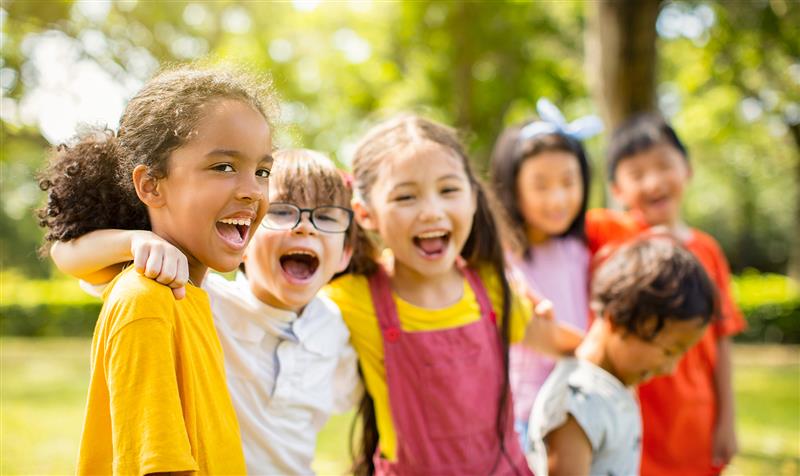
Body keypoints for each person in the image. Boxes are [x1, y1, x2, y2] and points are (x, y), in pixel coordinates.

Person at [50, 149, 362, 475]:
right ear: (241, 238)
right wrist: (134, 242)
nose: (305, 228)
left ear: (345, 254)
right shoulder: (199, 297)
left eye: (326, 217)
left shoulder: (336, 326)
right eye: (282, 212)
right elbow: (66, 255)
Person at [38, 65, 278, 474]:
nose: (252, 190)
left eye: (262, 172)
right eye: (223, 167)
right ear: (150, 186)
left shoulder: (191, 296)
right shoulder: (146, 301)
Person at [323, 114, 583, 476]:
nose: (432, 211)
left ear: (473, 198)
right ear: (366, 214)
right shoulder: (351, 299)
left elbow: (564, 344)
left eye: (448, 190)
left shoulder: (493, 286)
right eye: (406, 196)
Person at [586, 113, 746, 475]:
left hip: (695, 418)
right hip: (630, 415)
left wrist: (728, 421)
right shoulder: (611, 231)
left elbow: (721, 342)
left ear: (687, 169)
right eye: (637, 174)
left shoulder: (709, 251)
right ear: (617, 190)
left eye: (663, 166)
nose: (654, 182)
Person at [527, 236, 717, 476]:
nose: (670, 369)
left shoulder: (612, 384)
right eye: (668, 351)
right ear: (617, 320)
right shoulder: (577, 403)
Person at [490, 99, 601, 446]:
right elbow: (540, 335)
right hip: (524, 418)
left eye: (569, 182)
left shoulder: (579, 251)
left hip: (579, 410)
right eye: (540, 185)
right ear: (513, 187)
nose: (558, 199)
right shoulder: (501, 260)